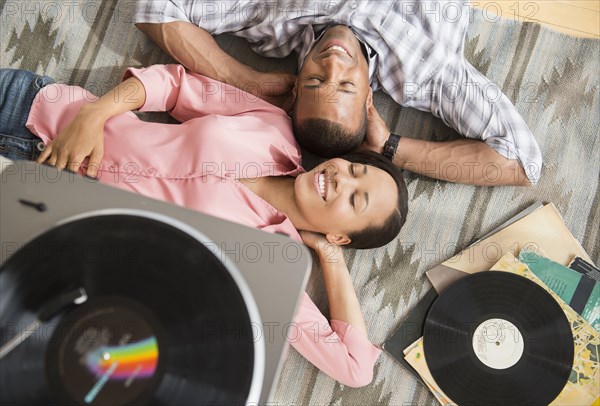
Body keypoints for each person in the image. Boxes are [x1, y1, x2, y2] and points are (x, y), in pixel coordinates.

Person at [0, 66, 408, 387]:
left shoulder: (270, 264)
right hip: (36, 113)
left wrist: (330, 257)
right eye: (355, 169)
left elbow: (355, 369)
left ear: (341, 234)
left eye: (355, 199)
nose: (342, 179)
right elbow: (175, 85)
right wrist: (97, 111)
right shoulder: (272, 126)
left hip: (33, 221)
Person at [133, 0, 543, 186]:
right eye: (345, 84)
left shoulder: (272, 21)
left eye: (314, 81)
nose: (333, 62)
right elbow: (520, 161)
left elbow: (156, 7)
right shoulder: (428, 72)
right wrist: (390, 146)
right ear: (369, 97)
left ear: (293, 86)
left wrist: (244, 80)